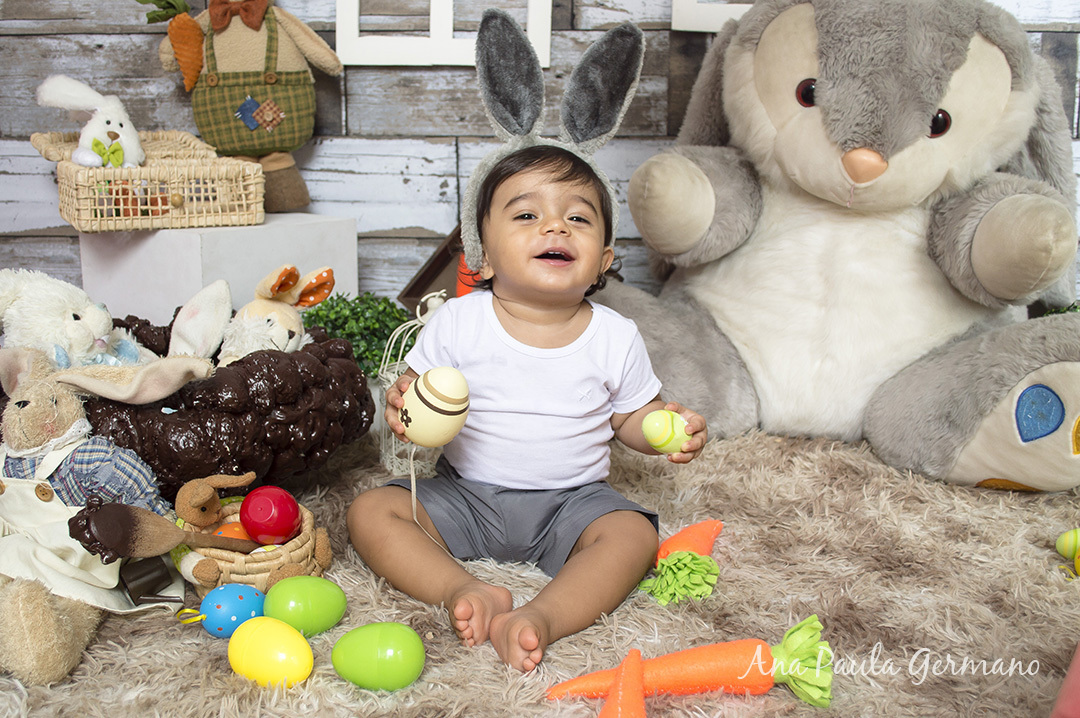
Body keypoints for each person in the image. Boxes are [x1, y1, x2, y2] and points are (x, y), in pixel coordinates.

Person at [347, 144, 709, 673]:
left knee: (634, 535)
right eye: (526, 215)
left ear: (603, 261)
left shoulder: (616, 336)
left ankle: (542, 616)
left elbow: (630, 416)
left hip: (572, 502)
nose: (556, 228)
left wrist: (663, 432)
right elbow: (413, 393)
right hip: (465, 496)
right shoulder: (457, 322)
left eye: (578, 218)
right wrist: (404, 409)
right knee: (370, 511)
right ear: (483, 258)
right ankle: (463, 590)